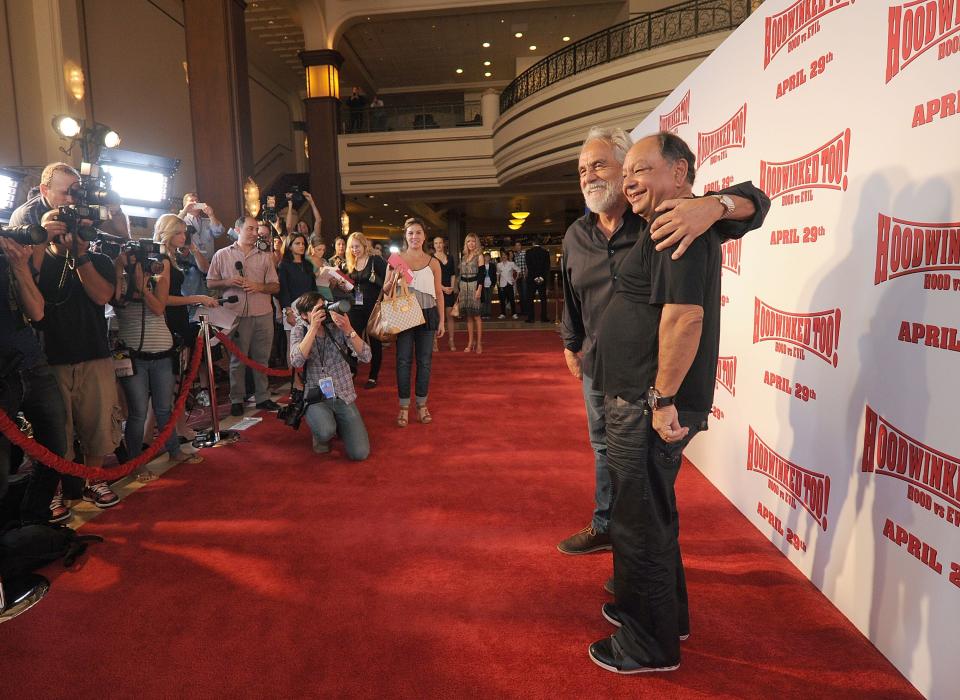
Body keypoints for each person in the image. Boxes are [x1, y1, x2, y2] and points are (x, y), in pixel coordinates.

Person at [587, 132, 770, 674]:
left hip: (647, 405)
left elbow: (684, 317)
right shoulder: (670, 224)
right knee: (649, 518)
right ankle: (666, 620)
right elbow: (749, 202)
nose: (629, 181)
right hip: (639, 400)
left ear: (681, 173)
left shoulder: (681, 225)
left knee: (640, 524)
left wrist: (661, 398)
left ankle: (648, 647)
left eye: (641, 170)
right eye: (627, 174)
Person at [557, 126, 769, 558]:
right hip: (599, 365)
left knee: (645, 489)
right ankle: (606, 527)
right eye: (582, 170)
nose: (589, 176)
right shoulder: (575, 235)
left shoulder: (669, 216)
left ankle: (635, 563)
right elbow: (570, 295)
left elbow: (756, 202)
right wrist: (570, 341)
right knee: (605, 451)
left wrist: (713, 205)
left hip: (649, 382)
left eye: (601, 164)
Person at [26, 189, 122, 508]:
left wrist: (80, 254)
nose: (75, 231)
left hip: (93, 353)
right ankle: (53, 490)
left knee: (97, 425)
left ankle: (93, 479)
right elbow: (30, 289)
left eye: (81, 225)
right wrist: (41, 236)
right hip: (50, 357)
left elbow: (101, 296)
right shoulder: (38, 257)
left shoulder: (99, 260)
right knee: (55, 432)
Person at [112, 216, 200, 472]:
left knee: (164, 407)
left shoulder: (160, 266)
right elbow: (114, 301)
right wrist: (120, 270)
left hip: (162, 345)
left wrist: (144, 287)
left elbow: (160, 307)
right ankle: (135, 464)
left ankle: (174, 451)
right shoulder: (117, 273)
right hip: (132, 350)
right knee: (137, 412)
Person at [0, 235, 68, 524]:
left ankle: (33, 523)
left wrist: (19, 266)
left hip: (32, 363)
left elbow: (37, 311)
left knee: (55, 450)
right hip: (3, 375)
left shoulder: (8, 259)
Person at [206, 215, 281, 416]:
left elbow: (275, 286)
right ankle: (237, 399)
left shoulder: (265, 256)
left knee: (262, 358)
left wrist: (259, 286)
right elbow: (210, 283)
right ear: (237, 230)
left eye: (256, 229)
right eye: (250, 229)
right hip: (235, 315)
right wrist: (228, 281)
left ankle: (263, 397)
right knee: (237, 360)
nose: (255, 233)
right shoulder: (222, 255)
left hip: (263, 313)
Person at [155, 214, 218, 443]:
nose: (184, 237)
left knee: (179, 380)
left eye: (184, 233)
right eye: (179, 232)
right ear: (168, 233)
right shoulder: (161, 259)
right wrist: (196, 298)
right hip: (171, 321)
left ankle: (180, 428)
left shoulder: (170, 257)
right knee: (175, 382)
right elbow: (165, 299)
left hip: (178, 319)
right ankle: (176, 430)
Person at [289, 292, 371, 459]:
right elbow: (296, 361)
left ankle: (338, 424)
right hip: (316, 395)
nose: (323, 312)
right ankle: (322, 433)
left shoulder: (336, 325)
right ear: (305, 315)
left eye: (324, 306)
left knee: (360, 453)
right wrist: (312, 328)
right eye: (317, 309)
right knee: (325, 431)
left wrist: (348, 329)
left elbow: (366, 356)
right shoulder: (299, 330)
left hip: (342, 393)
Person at [386, 217, 445, 427]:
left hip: (428, 314)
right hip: (405, 314)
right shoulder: (396, 259)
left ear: (424, 236)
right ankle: (403, 406)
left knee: (425, 361)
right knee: (403, 361)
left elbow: (439, 293)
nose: (414, 237)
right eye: (411, 233)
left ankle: (422, 404)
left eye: (418, 233)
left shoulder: (433, 262)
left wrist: (442, 321)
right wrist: (394, 278)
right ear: (405, 236)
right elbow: (385, 289)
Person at [9, 162, 129, 239]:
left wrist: (116, 212)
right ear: (44, 190)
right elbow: (25, 266)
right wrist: (45, 237)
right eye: (64, 193)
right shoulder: (27, 215)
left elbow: (122, 238)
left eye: (75, 193)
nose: (71, 199)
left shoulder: (80, 203)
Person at [344, 231, 387, 389]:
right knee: (352, 339)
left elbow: (388, 282)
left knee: (375, 341)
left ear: (364, 245)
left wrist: (376, 280)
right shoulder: (350, 262)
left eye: (357, 246)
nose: (354, 249)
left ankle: (373, 376)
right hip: (355, 307)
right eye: (352, 247)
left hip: (373, 306)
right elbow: (351, 287)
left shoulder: (375, 260)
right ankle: (352, 371)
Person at [177, 193, 224, 309]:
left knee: (212, 300)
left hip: (209, 264)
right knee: (195, 300)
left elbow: (219, 232)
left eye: (196, 201)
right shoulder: (182, 221)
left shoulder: (207, 221)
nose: (194, 203)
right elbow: (170, 226)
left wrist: (211, 215)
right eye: (190, 201)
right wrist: (184, 211)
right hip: (191, 264)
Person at [457, 233, 484, 353]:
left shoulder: (479, 256)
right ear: (466, 243)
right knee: (468, 317)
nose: (471, 244)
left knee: (477, 316)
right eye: (468, 241)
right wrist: (459, 291)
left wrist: (479, 289)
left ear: (476, 243)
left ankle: (478, 343)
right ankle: (470, 342)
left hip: (474, 286)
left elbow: (482, 275)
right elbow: (460, 275)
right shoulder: (463, 257)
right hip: (463, 287)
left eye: (473, 241)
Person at [432, 236, 458, 350]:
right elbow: (431, 277)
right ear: (433, 245)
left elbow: (453, 274)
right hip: (437, 290)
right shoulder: (431, 259)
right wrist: (442, 288)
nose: (438, 245)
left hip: (449, 290)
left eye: (440, 243)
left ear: (443, 244)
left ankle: (451, 341)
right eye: (436, 243)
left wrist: (451, 287)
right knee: (436, 317)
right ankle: (435, 341)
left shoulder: (450, 258)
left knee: (450, 317)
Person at [524, 238, 551, 323]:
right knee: (543, 299)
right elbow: (547, 266)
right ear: (540, 244)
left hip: (532, 279)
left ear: (533, 243)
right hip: (542, 279)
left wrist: (535, 277)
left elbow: (529, 266)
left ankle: (531, 318)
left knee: (530, 299)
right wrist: (541, 277)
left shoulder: (528, 252)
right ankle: (544, 317)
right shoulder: (545, 252)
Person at [496, 251, 519, 319]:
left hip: (509, 283)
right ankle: (503, 313)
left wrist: (515, 279)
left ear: (508, 256)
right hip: (502, 284)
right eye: (502, 255)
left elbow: (518, 270)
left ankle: (514, 313)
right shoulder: (499, 264)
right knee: (502, 300)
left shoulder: (511, 263)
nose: (504, 256)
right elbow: (497, 273)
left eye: (505, 255)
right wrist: (497, 281)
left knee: (512, 299)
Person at [512, 240, 528, 318]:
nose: (517, 247)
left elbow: (527, 264)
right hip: (518, 277)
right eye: (516, 245)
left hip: (524, 276)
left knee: (525, 294)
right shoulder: (515, 255)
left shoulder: (525, 253)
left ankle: (526, 311)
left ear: (521, 246)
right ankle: (522, 311)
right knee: (521, 295)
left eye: (519, 245)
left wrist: (526, 273)